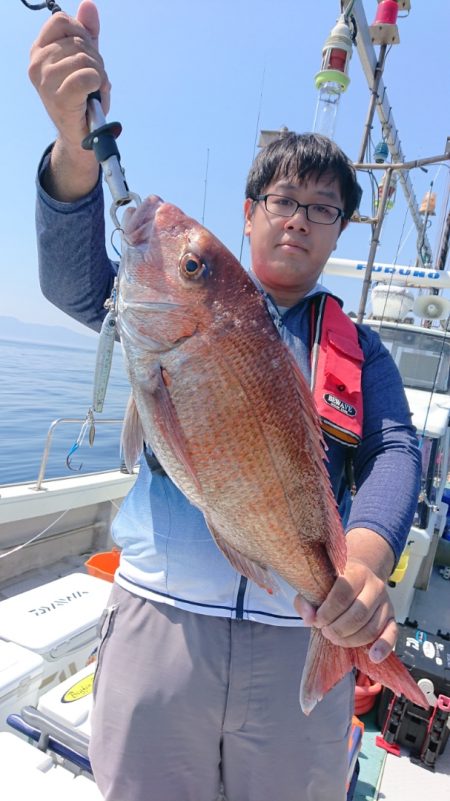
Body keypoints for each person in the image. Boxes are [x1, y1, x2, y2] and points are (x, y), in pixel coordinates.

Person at [29, 4, 421, 801]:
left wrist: (367, 562)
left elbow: (395, 447)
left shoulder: (360, 348)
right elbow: (74, 280)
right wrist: (75, 149)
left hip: (300, 638)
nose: (300, 220)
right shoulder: (157, 304)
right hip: (161, 622)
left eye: (322, 209)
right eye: (284, 199)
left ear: (339, 231)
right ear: (249, 213)